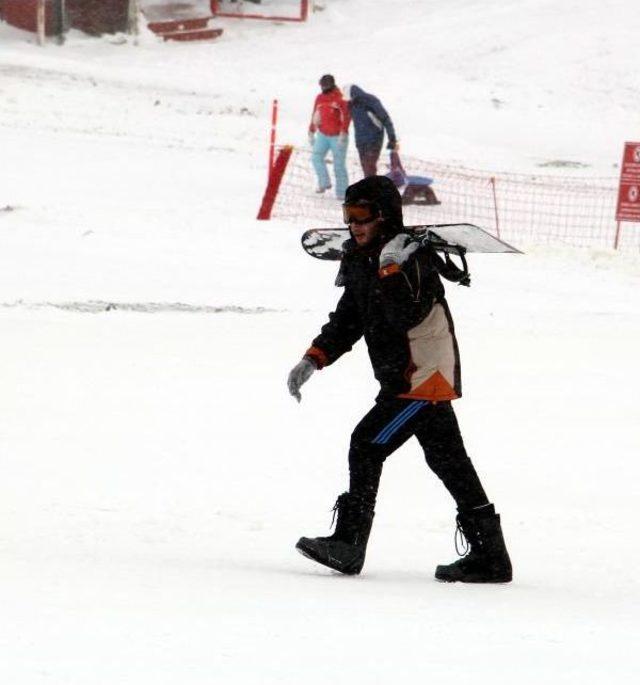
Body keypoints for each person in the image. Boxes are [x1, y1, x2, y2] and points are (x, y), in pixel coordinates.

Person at [286, 175, 512, 583]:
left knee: (366, 444)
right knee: (449, 462)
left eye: (362, 215)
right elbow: (349, 318)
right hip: (406, 378)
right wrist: (314, 358)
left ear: (385, 217)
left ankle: (350, 544)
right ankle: (490, 555)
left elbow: (404, 314)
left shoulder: (413, 259)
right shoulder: (358, 258)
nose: (353, 225)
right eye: (348, 215)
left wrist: (392, 266)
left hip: (420, 378)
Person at [308, 74, 350, 199]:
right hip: (322, 134)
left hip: (338, 137)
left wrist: (344, 132)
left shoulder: (340, 98)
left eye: (326, 85)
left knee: (339, 165)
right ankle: (324, 182)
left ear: (331, 85)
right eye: (322, 85)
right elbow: (315, 114)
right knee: (316, 157)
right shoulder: (319, 98)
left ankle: (342, 193)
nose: (323, 87)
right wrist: (311, 131)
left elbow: (346, 117)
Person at [342, 84, 398, 177]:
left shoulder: (370, 100)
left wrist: (392, 138)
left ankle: (372, 190)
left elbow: (385, 118)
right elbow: (346, 119)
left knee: (369, 168)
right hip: (360, 142)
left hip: (374, 139)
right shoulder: (351, 105)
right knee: (366, 168)